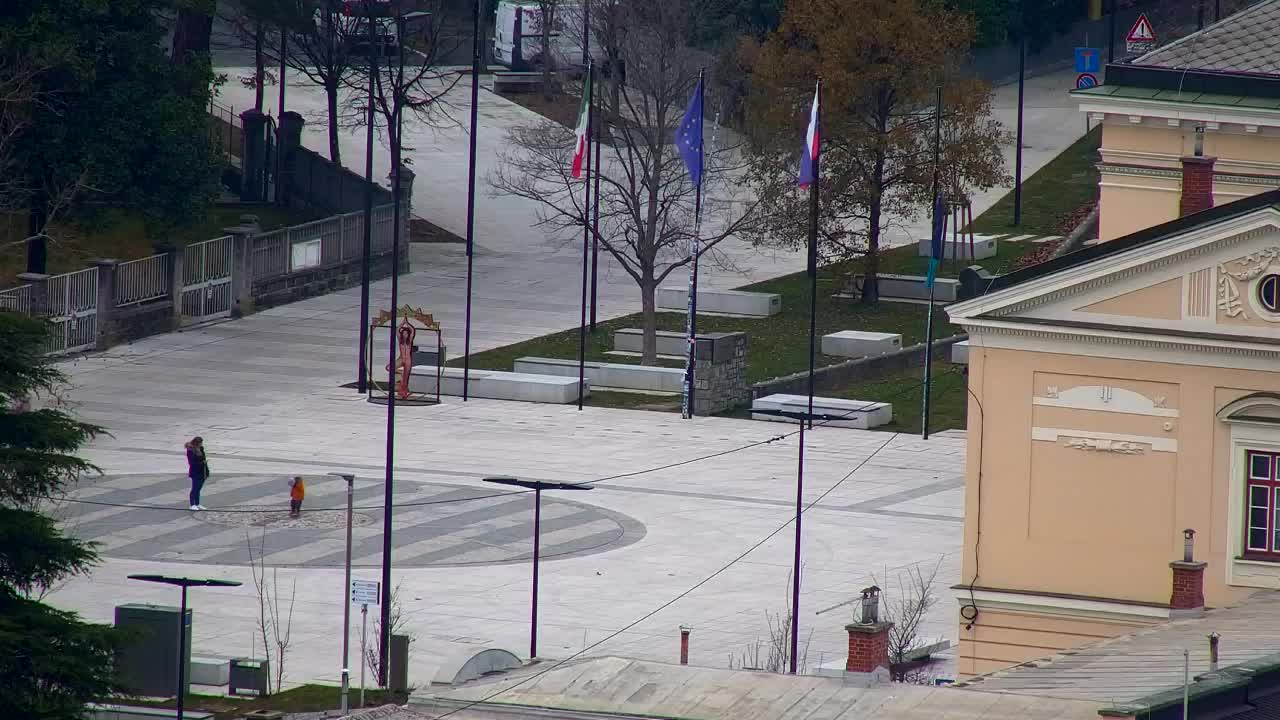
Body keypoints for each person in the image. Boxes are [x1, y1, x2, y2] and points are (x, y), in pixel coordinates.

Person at [186, 436, 209, 511]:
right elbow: (192, 462)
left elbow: (204, 459)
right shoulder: (190, 450)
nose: (201, 444)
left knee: (198, 489)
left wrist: (206, 469)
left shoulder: (201, 449)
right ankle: (192, 504)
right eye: (200, 443)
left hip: (202, 471)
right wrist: (201, 463)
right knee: (195, 488)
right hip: (195, 472)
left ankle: (197, 503)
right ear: (196, 443)